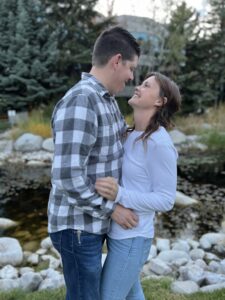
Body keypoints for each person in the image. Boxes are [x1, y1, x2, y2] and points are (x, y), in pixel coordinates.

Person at [47, 26, 140, 300]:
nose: (131, 76)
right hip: (77, 226)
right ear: (116, 61)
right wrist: (112, 210)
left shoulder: (107, 99)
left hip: (90, 223)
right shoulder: (82, 100)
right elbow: (67, 177)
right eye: (131, 68)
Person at [95, 72, 181, 300]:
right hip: (117, 233)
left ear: (159, 101)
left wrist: (119, 194)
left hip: (133, 238)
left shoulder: (159, 143)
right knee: (133, 294)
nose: (137, 87)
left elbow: (166, 199)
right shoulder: (130, 134)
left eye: (146, 85)